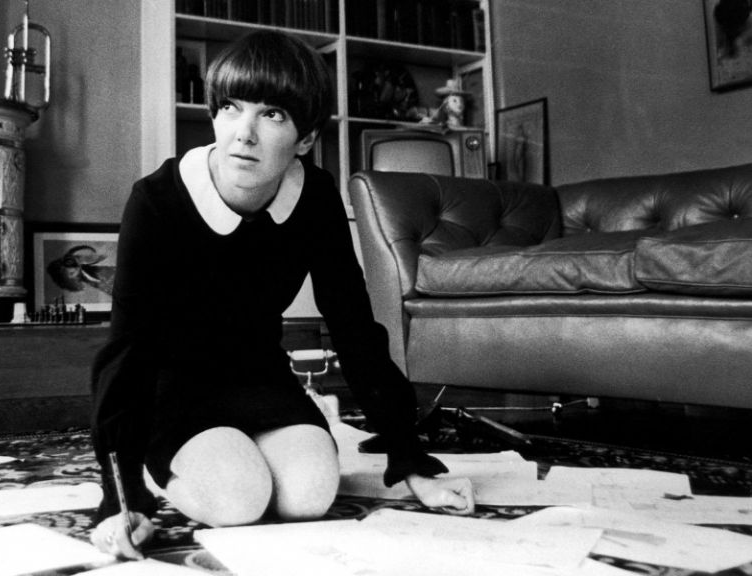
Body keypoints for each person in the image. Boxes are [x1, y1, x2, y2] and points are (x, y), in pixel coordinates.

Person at [89, 29, 475, 560]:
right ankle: (165, 473)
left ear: (306, 139)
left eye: (271, 114)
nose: (243, 134)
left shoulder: (315, 198)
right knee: (239, 499)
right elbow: (126, 349)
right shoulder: (157, 200)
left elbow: (354, 328)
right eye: (231, 107)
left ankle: (229, 458)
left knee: (309, 496)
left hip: (260, 378)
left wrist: (410, 462)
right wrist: (122, 495)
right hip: (171, 388)